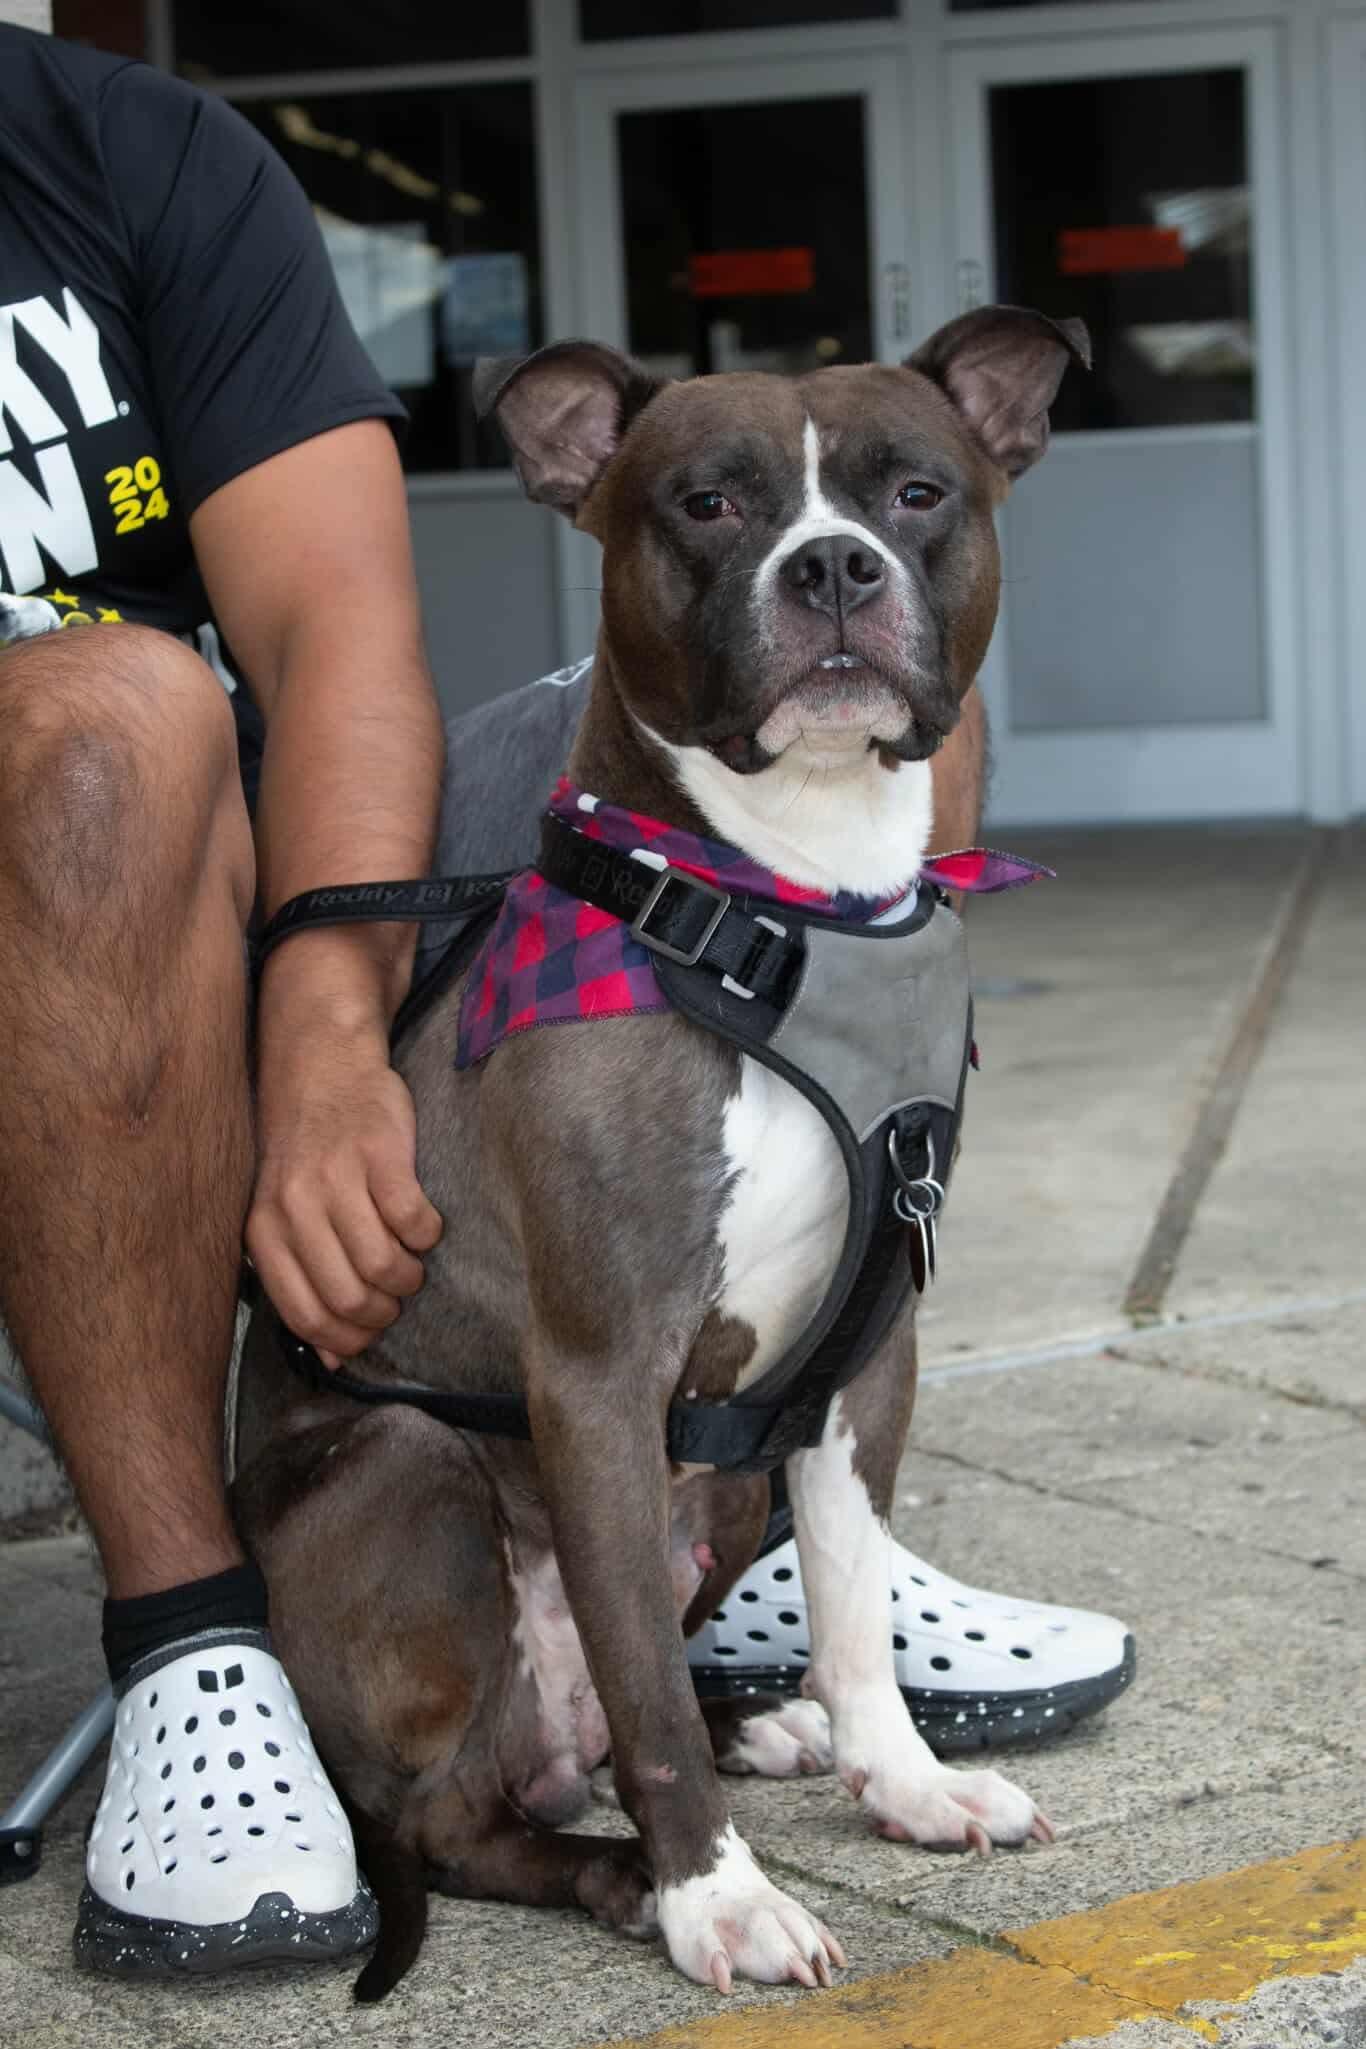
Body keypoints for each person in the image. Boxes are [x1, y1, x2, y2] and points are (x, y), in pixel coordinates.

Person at [0, 25, 1131, 1978]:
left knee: (827, 774)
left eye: (906, 501)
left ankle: (788, 1536)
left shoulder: (107, 147)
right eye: (720, 503)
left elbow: (342, 621)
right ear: (569, 459)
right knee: (111, 722)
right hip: (88, 858)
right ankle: (198, 1632)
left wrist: (324, 1013)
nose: (834, 554)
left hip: (239, 845)